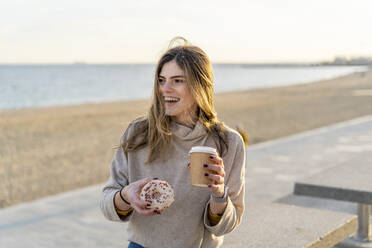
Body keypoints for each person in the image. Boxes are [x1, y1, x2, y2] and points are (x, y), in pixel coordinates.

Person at [100, 37, 246, 248]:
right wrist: (126, 196)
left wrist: (218, 194)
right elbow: (106, 204)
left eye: (177, 81)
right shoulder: (138, 134)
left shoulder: (229, 143)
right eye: (161, 80)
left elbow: (226, 226)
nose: (164, 89)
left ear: (199, 86)